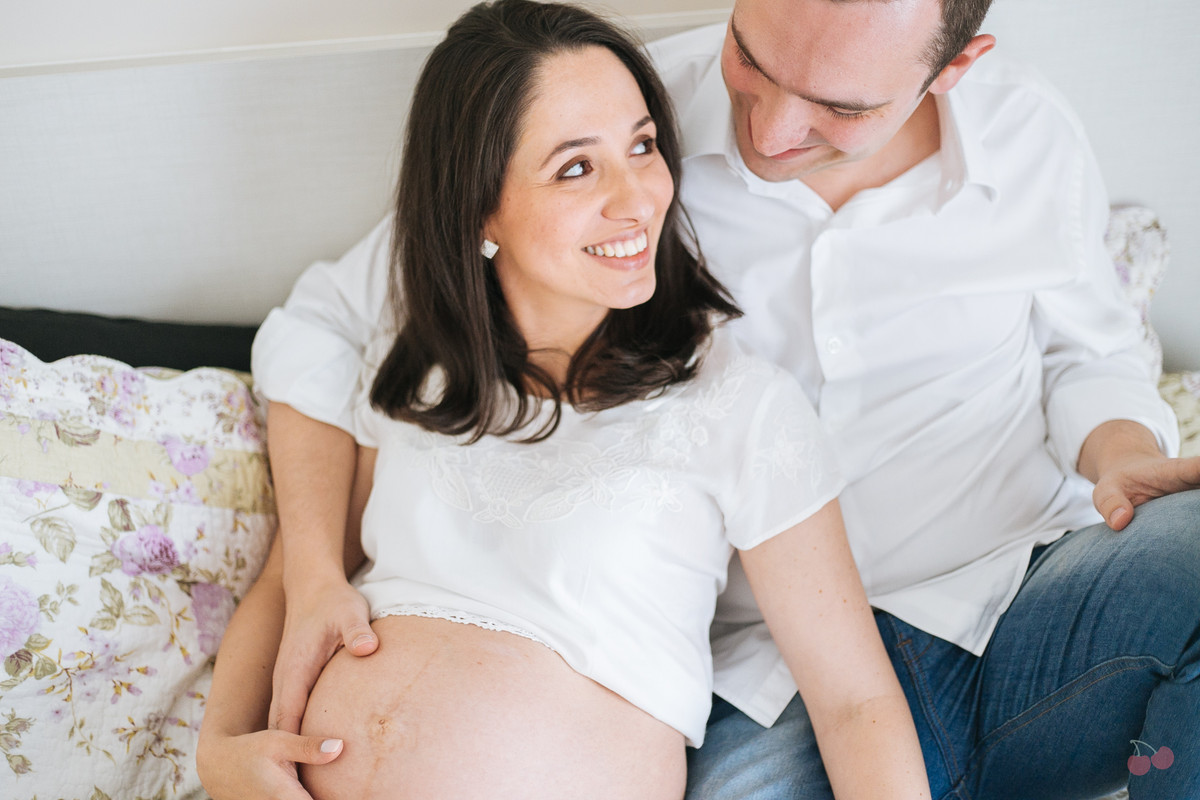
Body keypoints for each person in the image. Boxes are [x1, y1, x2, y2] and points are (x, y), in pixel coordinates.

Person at [249, 0, 1200, 798]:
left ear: (954, 68)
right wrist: (312, 594)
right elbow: (334, 318)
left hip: (1017, 590)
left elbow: (1096, 352)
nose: (770, 133)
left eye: (836, 106)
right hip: (763, 678)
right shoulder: (613, 106)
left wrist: (1118, 451)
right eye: (752, 59)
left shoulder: (1029, 135)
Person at [195, 2, 932, 799]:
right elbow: (290, 584)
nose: (638, 197)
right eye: (576, 167)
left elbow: (856, 703)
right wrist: (220, 750)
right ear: (481, 205)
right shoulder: (416, 367)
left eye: (643, 146)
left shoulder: (739, 405)